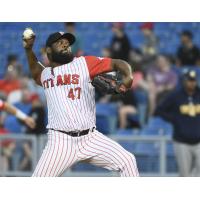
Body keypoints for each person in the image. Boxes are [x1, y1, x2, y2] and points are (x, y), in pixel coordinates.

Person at [23, 29, 139, 177]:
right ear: (48, 50)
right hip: (60, 142)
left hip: (90, 138)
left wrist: (128, 75)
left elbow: (118, 63)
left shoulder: (85, 63)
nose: (65, 45)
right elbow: (34, 69)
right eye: (60, 43)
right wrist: (28, 49)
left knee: (128, 161)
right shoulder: (45, 74)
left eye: (67, 43)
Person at [155, 70, 200, 176]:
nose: (191, 83)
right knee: (185, 174)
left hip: (199, 141)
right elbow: (160, 109)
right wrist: (173, 119)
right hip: (181, 141)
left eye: (193, 80)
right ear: (184, 81)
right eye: (189, 80)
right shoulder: (175, 96)